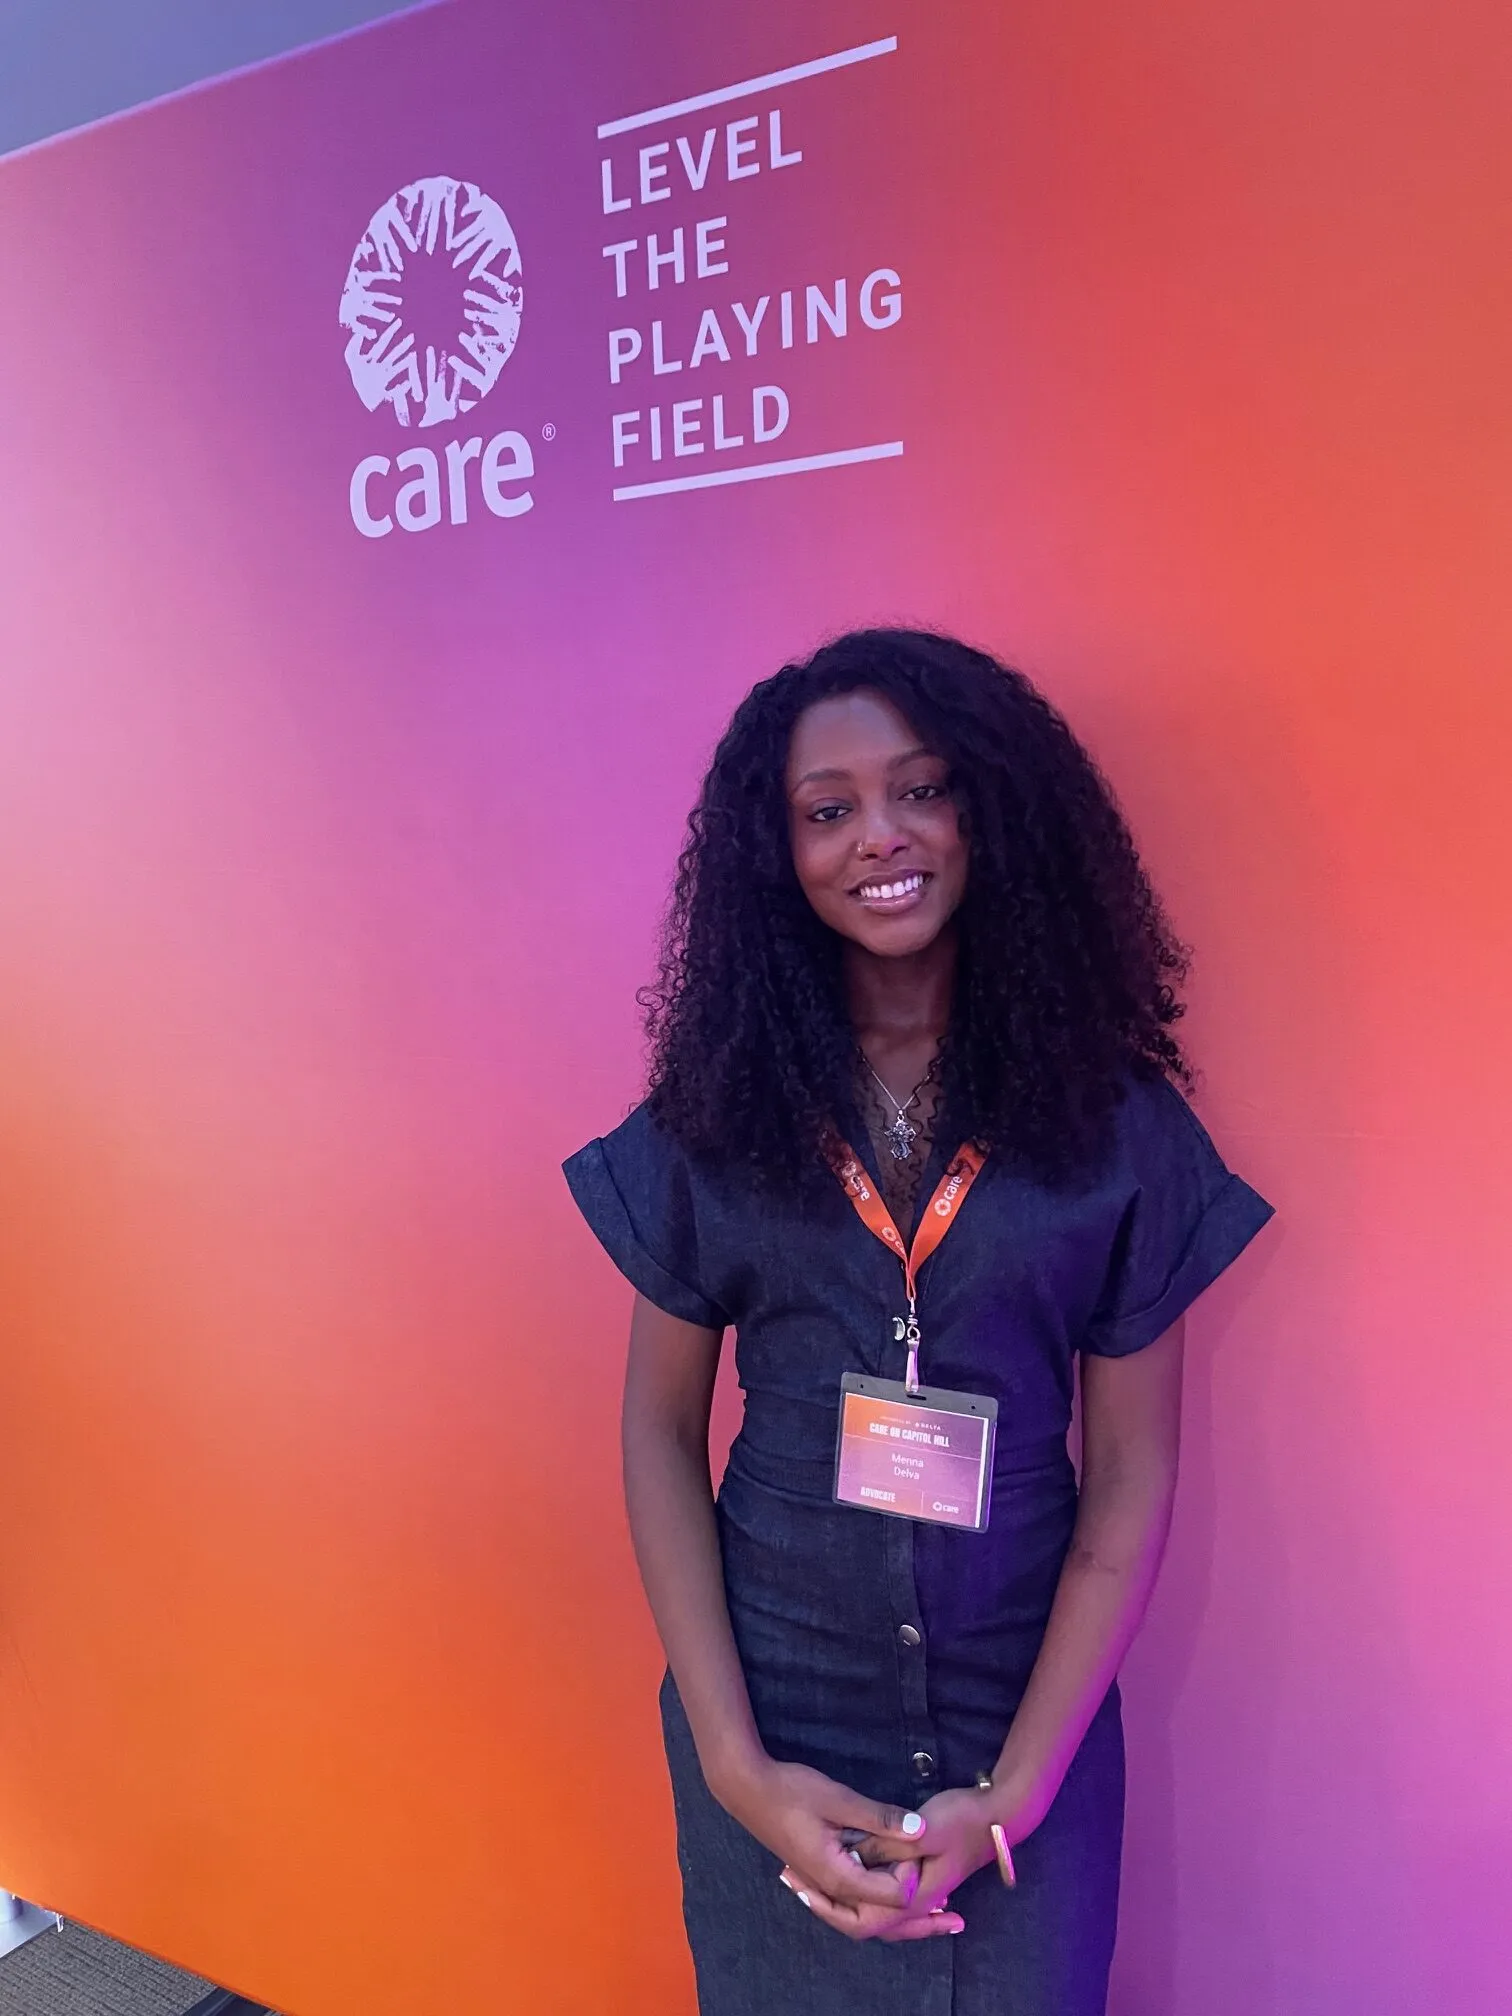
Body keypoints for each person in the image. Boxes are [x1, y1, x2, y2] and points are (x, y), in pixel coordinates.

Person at [563, 629, 1273, 2015]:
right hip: (773, 1717)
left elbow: (1130, 1477)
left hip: (1028, 1725)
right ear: (779, 854)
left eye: (922, 789)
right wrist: (731, 1764)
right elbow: (656, 1431)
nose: (879, 836)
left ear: (988, 809)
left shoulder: (1116, 1126)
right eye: (827, 810)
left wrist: (1018, 1791)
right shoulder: (719, 1108)